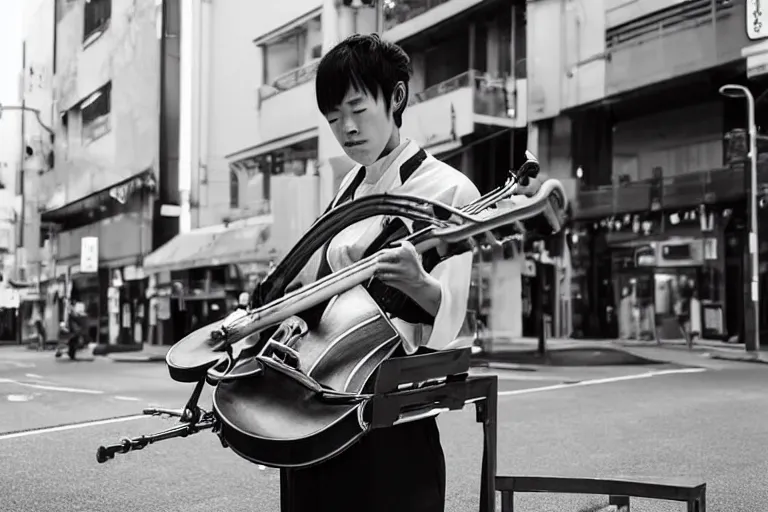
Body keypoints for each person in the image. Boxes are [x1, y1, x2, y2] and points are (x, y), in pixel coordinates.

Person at [279, 33, 544, 512]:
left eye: (358, 110)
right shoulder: (347, 188)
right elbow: (319, 287)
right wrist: (296, 318)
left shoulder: (449, 190)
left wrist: (419, 284)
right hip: (322, 398)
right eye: (334, 118)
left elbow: (456, 320)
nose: (347, 129)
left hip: (391, 414)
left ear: (396, 97)